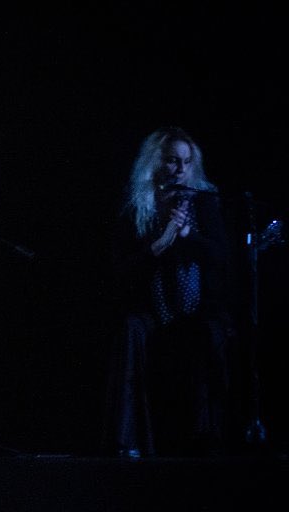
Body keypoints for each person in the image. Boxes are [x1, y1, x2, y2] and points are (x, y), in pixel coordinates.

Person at [107, 127, 233, 457]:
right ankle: (125, 439)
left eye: (186, 163)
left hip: (197, 306)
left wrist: (189, 235)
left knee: (210, 331)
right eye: (172, 161)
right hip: (152, 305)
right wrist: (159, 245)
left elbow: (222, 258)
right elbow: (120, 272)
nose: (179, 170)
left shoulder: (205, 201)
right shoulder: (138, 207)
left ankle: (207, 439)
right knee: (131, 329)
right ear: (155, 164)